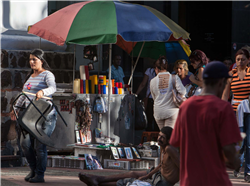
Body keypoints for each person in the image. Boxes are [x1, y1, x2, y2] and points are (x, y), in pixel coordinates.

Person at [170, 61, 242, 186]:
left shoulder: (186, 106)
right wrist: (235, 161)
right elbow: (228, 149)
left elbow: (174, 145)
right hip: (215, 180)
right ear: (221, 82)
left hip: (189, 181)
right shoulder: (223, 108)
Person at [10, 49, 57, 183]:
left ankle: (40, 174)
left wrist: (43, 91)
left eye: (34, 59)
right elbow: (24, 94)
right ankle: (33, 169)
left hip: (46, 116)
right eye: (30, 59)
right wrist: (16, 108)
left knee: (40, 146)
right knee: (24, 144)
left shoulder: (47, 74)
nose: (31, 62)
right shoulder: (30, 76)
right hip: (30, 117)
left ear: (41, 61)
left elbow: (53, 87)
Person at [79, 126, 180, 186]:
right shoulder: (163, 147)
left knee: (130, 182)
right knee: (132, 173)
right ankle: (99, 179)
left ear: (169, 139)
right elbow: (161, 165)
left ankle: (99, 182)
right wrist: (147, 175)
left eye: (162, 137)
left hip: (162, 182)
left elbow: (183, 167)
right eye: (159, 136)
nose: (159, 139)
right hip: (158, 174)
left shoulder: (169, 149)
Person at [222, 48, 250, 181]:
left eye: (243, 59)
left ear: (248, 60)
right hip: (234, 111)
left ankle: (248, 171)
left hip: (249, 110)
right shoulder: (230, 74)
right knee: (240, 142)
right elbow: (225, 94)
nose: (240, 61)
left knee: (249, 142)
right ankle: (238, 165)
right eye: (238, 59)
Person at [150, 56, 186, 129]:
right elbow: (183, 91)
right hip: (171, 112)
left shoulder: (152, 81)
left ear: (156, 69)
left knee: (163, 135)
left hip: (158, 112)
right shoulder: (174, 77)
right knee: (170, 136)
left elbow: (154, 97)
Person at [135, 60, 160, 131]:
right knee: (157, 121)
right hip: (159, 99)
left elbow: (143, 84)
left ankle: (149, 138)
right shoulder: (164, 72)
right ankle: (156, 139)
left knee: (149, 120)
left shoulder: (149, 70)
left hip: (150, 98)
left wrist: (136, 94)